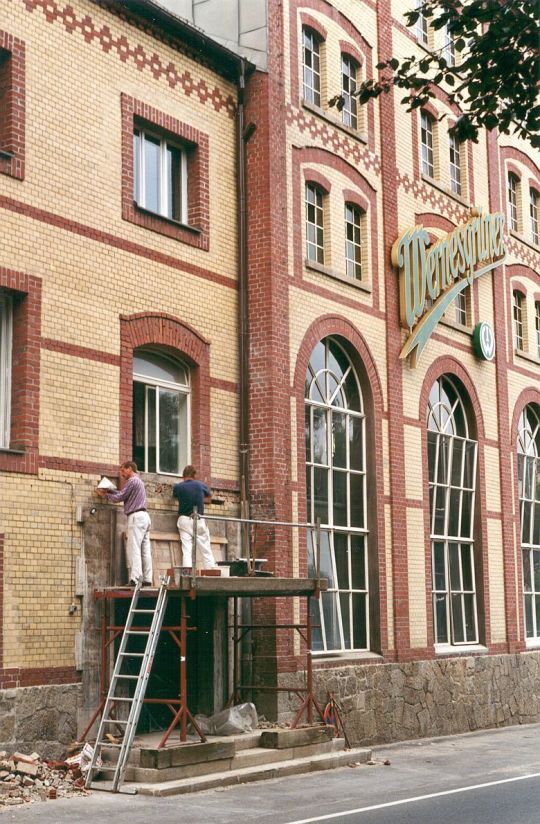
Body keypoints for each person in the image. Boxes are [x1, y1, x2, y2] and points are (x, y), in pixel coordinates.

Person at [96, 460, 153, 586]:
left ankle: (135, 579)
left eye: (123, 470)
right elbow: (123, 494)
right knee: (145, 550)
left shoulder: (132, 481)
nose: (122, 474)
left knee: (134, 549)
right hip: (145, 516)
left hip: (136, 517)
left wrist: (105, 495)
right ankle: (148, 579)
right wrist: (110, 492)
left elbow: (120, 497)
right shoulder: (138, 481)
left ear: (130, 469)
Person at [173, 465, 218, 570]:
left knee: (187, 549)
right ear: (194, 475)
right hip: (198, 519)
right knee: (205, 548)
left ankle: (187, 574)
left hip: (183, 520)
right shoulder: (200, 485)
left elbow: (175, 496)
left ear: (183, 476)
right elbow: (209, 496)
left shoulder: (178, 487)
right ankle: (210, 570)